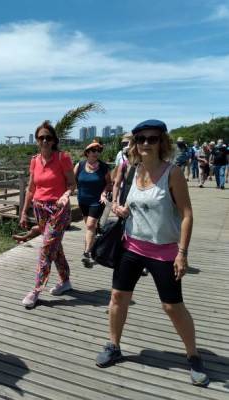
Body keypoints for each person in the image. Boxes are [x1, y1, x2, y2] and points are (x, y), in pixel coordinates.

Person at [95, 119, 209, 387]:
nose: (146, 143)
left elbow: (187, 215)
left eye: (153, 138)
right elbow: (129, 205)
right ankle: (114, 345)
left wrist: (182, 252)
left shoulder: (173, 173)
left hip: (164, 251)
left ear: (162, 142)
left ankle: (193, 356)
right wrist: (122, 210)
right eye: (141, 139)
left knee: (171, 306)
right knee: (118, 297)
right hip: (131, 246)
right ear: (135, 143)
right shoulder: (133, 171)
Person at [19, 120, 76, 309]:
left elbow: (72, 184)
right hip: (39, 209)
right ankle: (65, 281)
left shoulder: (62, 158)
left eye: (48, 138)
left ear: (54, 140)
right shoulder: (34, 160)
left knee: (46, 248)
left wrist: (65, 196)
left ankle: (36, 290)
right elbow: (31, 188)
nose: (44, 141)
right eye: (41, 137)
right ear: (36, 140)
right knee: (55, 247)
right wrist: (24, 212)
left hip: (58, 209)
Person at [74, 140, 111, 267]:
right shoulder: (79, 165)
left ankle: (86, 253)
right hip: (83, 200)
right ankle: (95, 245)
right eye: (93, 150)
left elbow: (109, 184)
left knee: (90, 225)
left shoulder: (104, 167)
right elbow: (72, 182)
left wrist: (104, 193)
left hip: (97, 201)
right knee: (90, 227)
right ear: (87, 152)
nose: (96, 153)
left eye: (99, 151)